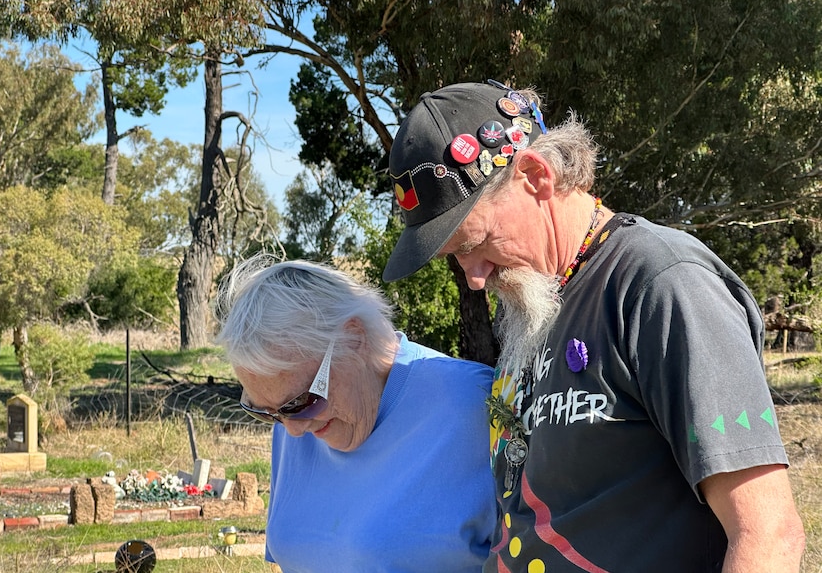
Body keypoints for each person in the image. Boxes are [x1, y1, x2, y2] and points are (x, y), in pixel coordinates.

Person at [382, 81, 805, 572]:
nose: (474, 278)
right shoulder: (532, 303)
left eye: (475, 241)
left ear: (536, 176)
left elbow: (768, 536)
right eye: (456, 258)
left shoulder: (663, 285)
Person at [215, 254, 497, 573]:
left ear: (354, 339)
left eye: (300, 402)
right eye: (266, 412)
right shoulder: (297, 417)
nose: (292, 431)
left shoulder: (474, 405)